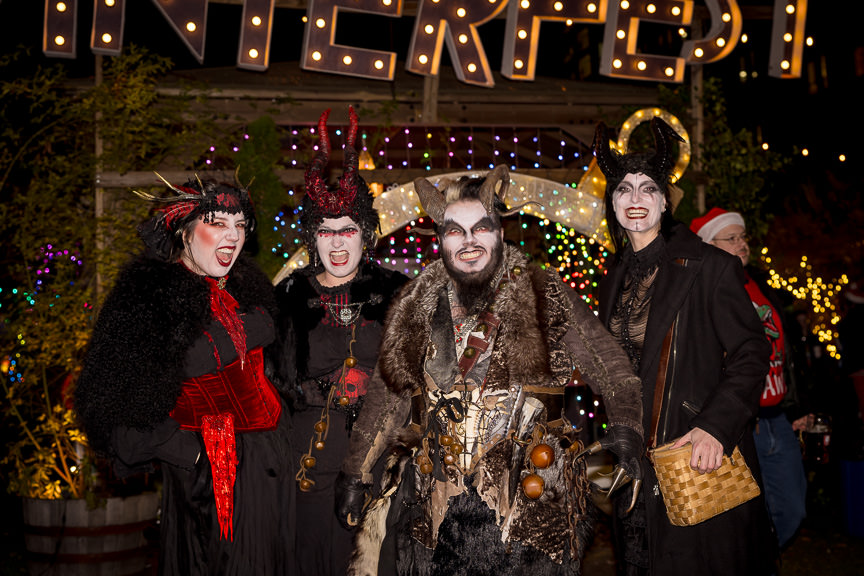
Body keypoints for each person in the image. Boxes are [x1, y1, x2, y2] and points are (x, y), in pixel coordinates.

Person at [337, 164, 644, 576]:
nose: (468, 241)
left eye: (480, 228)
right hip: (436, 505)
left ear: (499, 233)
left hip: (532, 506)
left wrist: (626, 428)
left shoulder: (544, 291)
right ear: (441, 241)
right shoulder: (414, 305)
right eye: (454, 231)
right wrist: (355, 473)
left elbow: (611, 367)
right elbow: (385, 397)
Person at [74, 175, 294, 575]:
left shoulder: (247, 285)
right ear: (184, 230)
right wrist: (191, 454)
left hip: (270, 464)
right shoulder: (148, 297)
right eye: (218, 223)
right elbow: (114, 399)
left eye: (240, 225)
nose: (233, 236)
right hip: (213, 471)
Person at [594, 118, 775, 575]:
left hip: (693, 455)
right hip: (632, 467)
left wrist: (716, 426)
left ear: (664, 200)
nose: (635, 200)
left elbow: (752, 351)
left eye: (648, 189)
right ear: (611, 202)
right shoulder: (613, 276)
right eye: (624, 190)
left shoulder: (709, 267)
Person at [270, 107, 410, 576]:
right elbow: (271, 381)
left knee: (379, 560)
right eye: (325, 232)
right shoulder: (287, 296)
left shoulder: (395, 291)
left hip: (380, 456)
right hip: (308, 456)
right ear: (312, 237)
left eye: (347, 229)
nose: (336, 242)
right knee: (314, 558)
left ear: (365, 235)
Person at [690, 207, 811, 550]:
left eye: (743, 237)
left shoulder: (760, 284)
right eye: (732, 238)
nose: (742, 244)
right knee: (743, 517)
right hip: (741, 423)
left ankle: (761, 563)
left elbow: (789, 351)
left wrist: (797, 404)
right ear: (709, 245)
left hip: (778, 418)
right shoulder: (705, 291)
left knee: (792, 510)